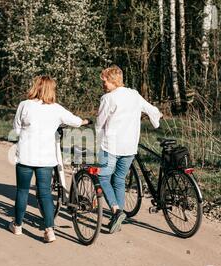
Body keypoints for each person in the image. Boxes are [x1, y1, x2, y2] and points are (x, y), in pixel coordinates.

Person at [10, 75, 90, 243]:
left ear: (35, 87)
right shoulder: (56, 109)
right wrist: (84, 121)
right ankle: (49, 230)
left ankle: (17, 226)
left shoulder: (24, 105)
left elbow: (16, 129)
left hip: (25, 155)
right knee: (45, 194)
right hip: (46, 158)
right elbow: (75, 121)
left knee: (22, 191)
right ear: (51, 90)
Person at [96, 66, 163, 234]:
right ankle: (118, 216)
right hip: (130, 146)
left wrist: (95, 142)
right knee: (119, 179)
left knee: (103, 177)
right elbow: (151, 109)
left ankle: (116, 210)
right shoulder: (134, 95)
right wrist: (157, 119)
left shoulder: (108, 98)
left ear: (112, 80)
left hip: (110, 145)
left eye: (104, 81)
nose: (103, 84)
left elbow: (100, 123)